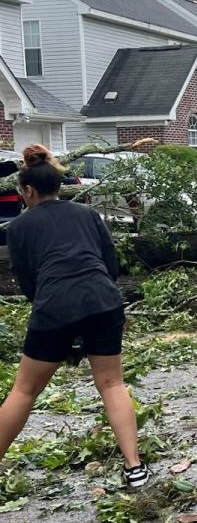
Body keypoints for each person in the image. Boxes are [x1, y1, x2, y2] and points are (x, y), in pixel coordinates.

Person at [0, 145, 149, 488]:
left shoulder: (18, 228)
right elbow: (110, 265)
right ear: (59, 184)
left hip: (54, 306)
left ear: (27, 191)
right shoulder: (87, 214)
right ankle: (134, 468)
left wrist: (59, 320)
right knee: (112, 384)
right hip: (103, 301)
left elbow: (27, 281)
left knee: (24, 390)